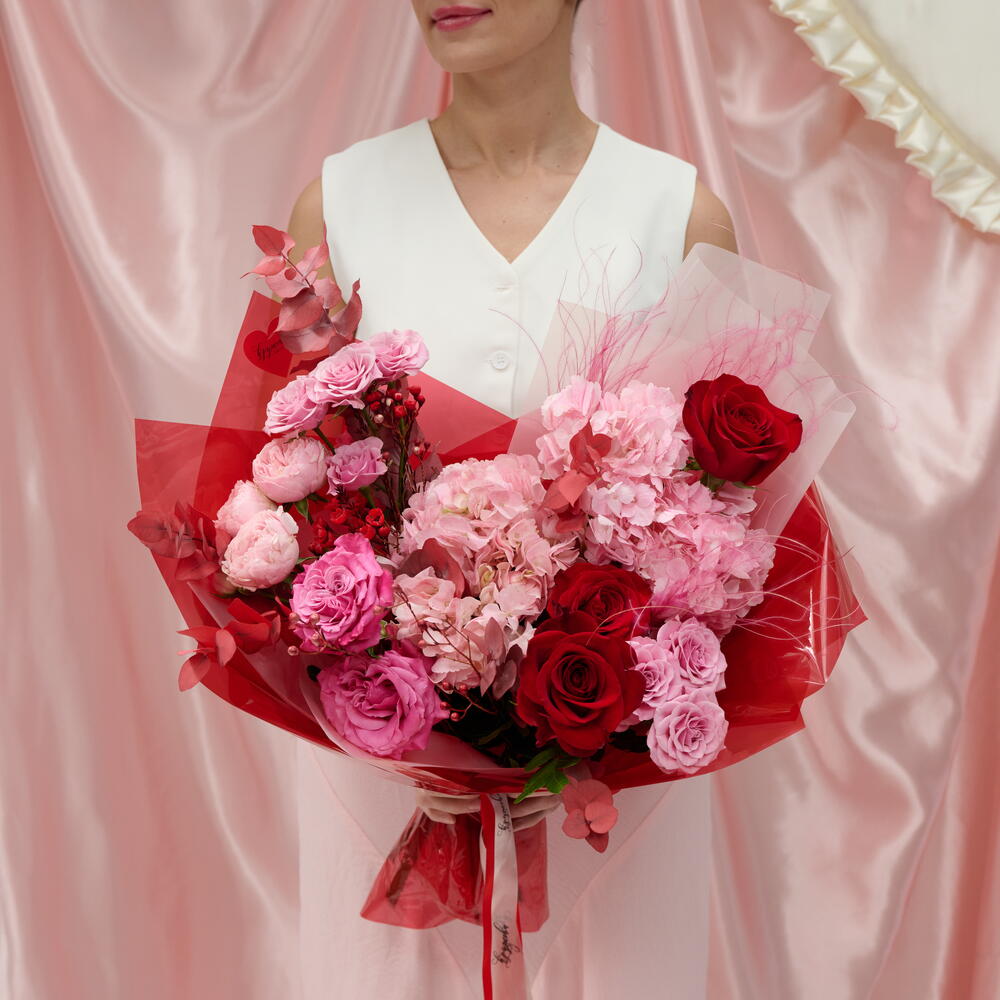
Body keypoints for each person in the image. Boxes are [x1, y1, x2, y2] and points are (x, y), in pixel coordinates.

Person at [286, 1, 738, 996]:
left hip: (607, 798)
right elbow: (293, 507)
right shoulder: (340, 204)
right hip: (393, 786)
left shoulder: (675, 213)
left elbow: (719, 526)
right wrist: (406, 716)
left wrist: (587, 730)